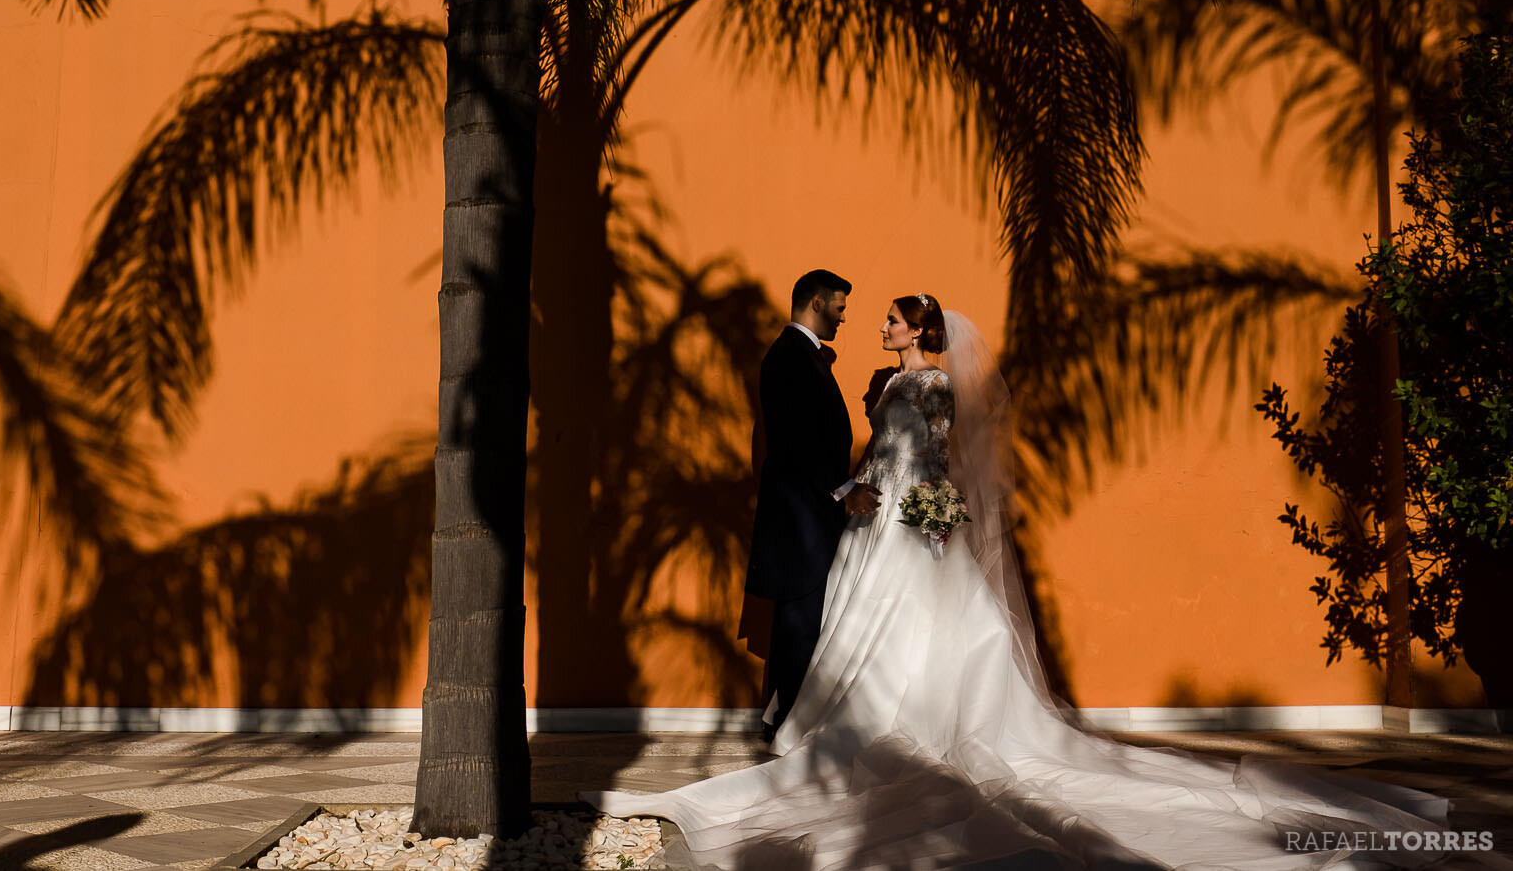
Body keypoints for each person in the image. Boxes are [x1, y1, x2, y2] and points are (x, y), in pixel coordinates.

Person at [588, 293, 1479, 869]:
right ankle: (837, 722)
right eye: (887, 320)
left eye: (896, 317)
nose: (886, 326)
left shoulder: (932, 382)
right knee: (863, 632)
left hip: (910, 520)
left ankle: (900, 726)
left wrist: (924, 510)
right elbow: (882, 453)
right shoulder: (887, 380)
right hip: (876, 516)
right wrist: (859, 486)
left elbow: (931, 457)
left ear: (923, 329)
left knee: (916, 638)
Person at [743, 269, 883, 744]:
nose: (844, 319)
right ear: (818, 302)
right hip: (799, 515)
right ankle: (790, 725)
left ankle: (785, 718)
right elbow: (797, 439)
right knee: (801, 618)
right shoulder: (789, 357)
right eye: (840, 308)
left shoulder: (803, 355)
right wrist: (844, 489)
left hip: (807, 510)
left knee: (803, 618)